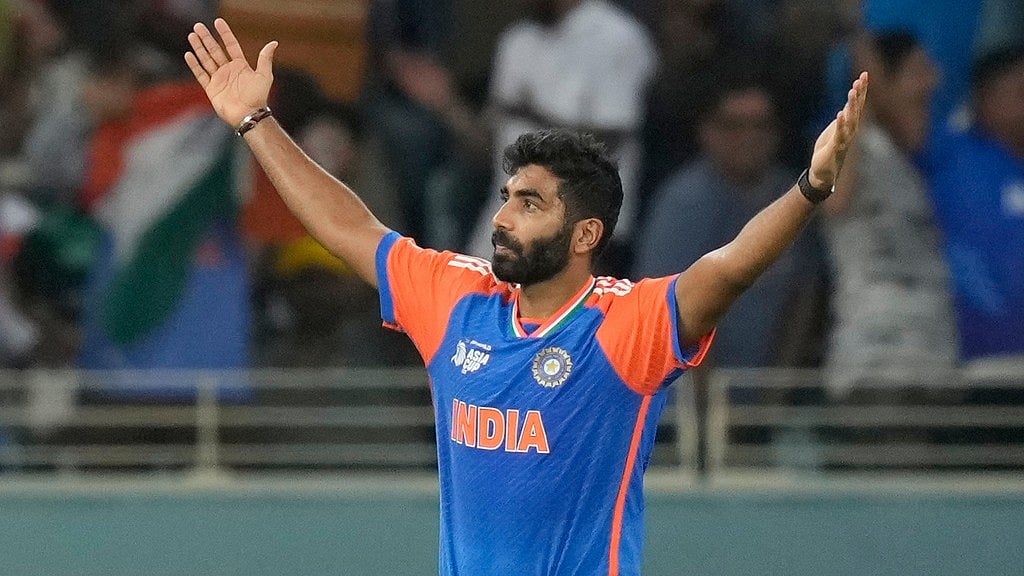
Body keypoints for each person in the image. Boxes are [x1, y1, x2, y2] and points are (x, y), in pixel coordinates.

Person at [184, 18, 867, 574]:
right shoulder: (457, 297)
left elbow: (729, 269)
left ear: (584, 234)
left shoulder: (621, 326)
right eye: (507, 197)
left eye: (530, 204)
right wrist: (256, 123)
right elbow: (346, 226)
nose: (502, 217)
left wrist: (809, 187)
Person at [634, 79, 828, 368]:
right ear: (706, 131)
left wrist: (773, 395)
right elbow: (673, 311)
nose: (749, 137)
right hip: (686, 397)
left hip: (767, 395)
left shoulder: (794, 193)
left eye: (761, 126)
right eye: (734, 125)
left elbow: (804, 297)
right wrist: (709, 405)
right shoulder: (685, 201)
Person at [820, 30, 958, 396]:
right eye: (918, 70)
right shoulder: (847, 146)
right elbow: (832, 199)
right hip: (874, 367)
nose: (933, 81)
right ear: (881, 81)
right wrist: (864, 94)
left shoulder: (913, 163)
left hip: (933, 363)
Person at [920, 43, 1024, 365]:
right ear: (985, 97)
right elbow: (886, 104)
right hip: (972, 369)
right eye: (1022, 91)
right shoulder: (945, 152)